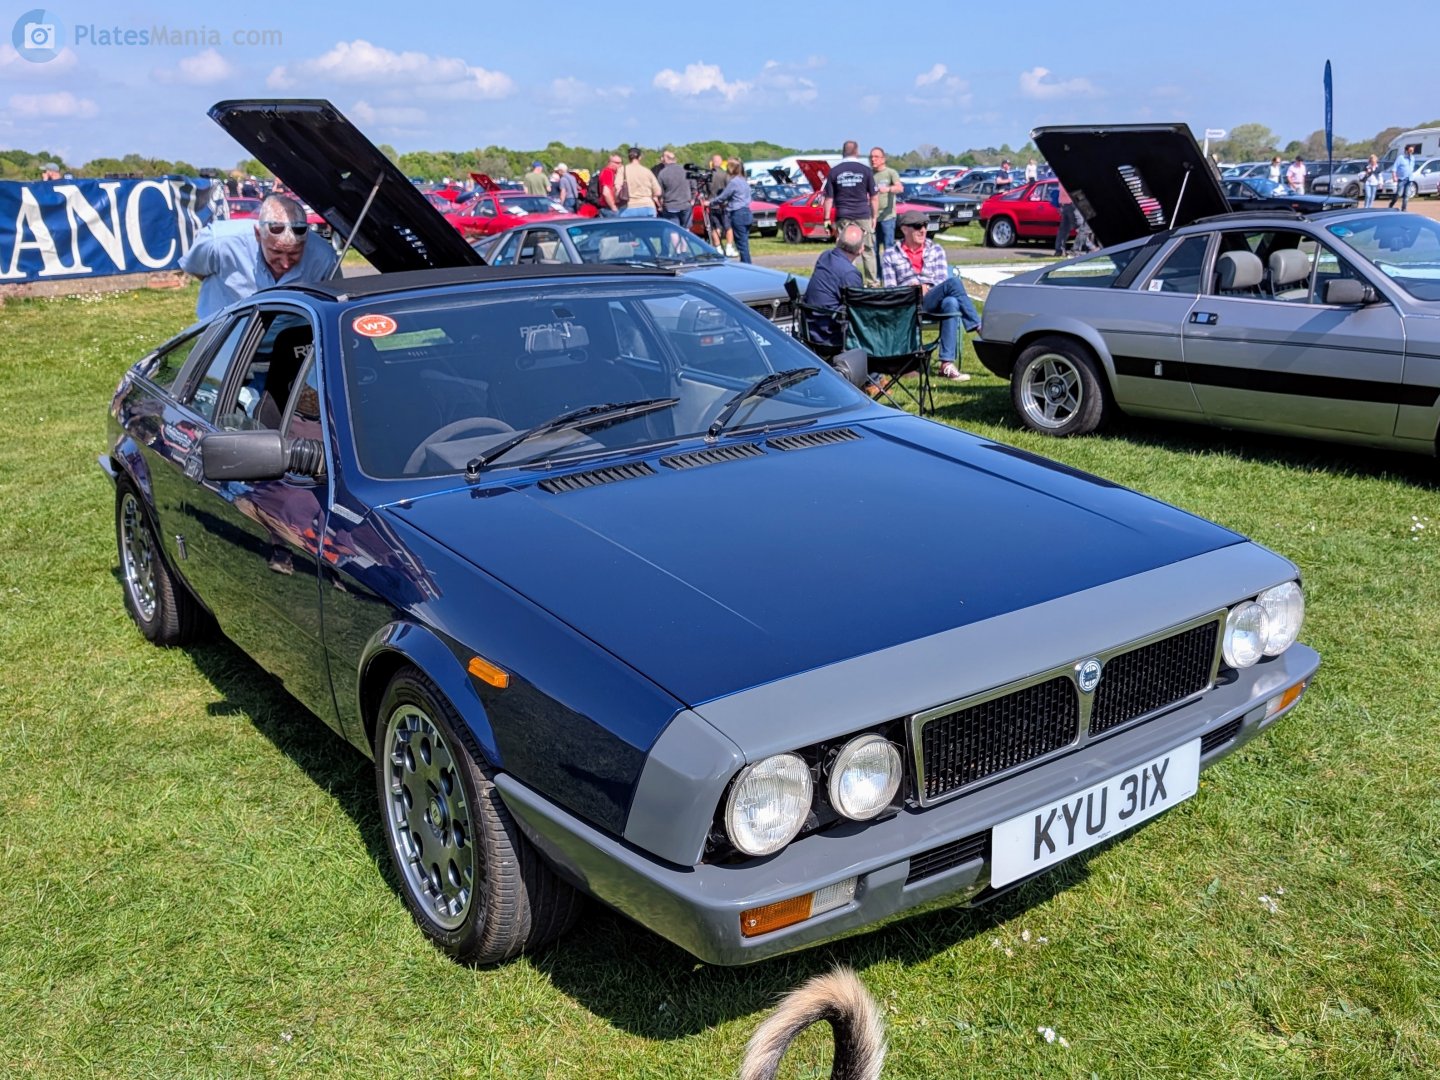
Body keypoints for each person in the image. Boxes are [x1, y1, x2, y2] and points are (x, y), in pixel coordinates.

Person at [178, 194, 339, 320]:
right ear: (257, 234)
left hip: (290, 341)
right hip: (225, 340)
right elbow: (196, 270)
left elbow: (334, 301)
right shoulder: (218, 242)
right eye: (276, 252)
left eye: (294, 254)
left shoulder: (324, 256)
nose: (285, 264)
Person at [881, 210, 980, 381]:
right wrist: (910, 289)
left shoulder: (936, 250)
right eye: (918, 226)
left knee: (950, 300)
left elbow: (941, 281)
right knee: (953, 289)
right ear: (904, 229)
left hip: (931, 301)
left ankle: (946, 364)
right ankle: (978, 326)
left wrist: (926, 288)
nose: (923, 230)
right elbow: (890, 290)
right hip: (907, 305)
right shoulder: (891, 254)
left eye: (925, 226)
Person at [822, 140, 878, 284]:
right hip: (862, 214)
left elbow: (828, 198)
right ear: (857, 151)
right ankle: (872, 283)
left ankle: (848, 282)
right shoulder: (866, 170)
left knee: (845, 250)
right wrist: (874, 217)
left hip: (843, 215)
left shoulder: (835, 171)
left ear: (843, 151)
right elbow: (874, 197)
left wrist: (826, 219)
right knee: (867, 250)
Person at [802, 223, 865, 349]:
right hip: (831, 334)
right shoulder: (850, 273)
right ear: (861, 250)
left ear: (837, 241)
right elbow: (859, 311)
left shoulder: (825, 256)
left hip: (812, 327)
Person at [713, 159, 753, 262]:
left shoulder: (734, 182)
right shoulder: (743, 180)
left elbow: (723, 196)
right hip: (747, 213)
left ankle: (747, 266)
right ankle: (747, 264)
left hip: (738, 214)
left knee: (741, 245)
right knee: (744, 243)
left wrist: (711, 203)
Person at [869, 147, 902, 254]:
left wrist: (888, 189)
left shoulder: (891, 173)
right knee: (874, 249)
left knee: (889, 247)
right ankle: (878, 271)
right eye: (871, 157)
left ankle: (889, 270)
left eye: (876, 157)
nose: (873, 159)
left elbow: (900, 188)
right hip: (872, 218)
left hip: (887, 217)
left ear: (883, 159)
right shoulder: (869, 174)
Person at [617, 147, 662, 218]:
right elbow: (658, 192)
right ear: (640, 157)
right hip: (647, 206)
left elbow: (617, 188)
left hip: (627, 207)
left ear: (629, 157)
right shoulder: (647, 171)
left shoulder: (622, 170)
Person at [655, 150, 693, 231]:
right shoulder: (686, 171)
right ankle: (685, 243)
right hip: (686, 204)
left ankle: (677, 244)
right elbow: (694, 186)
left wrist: (660, 204)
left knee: (674, 230)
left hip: (670, 206)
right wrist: (692, 198)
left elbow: (660, 192)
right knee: (686, 229)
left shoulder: (662, 173)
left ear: (665, 160)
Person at [705, 153, 733, 253]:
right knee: (728, 227)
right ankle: (729, 247)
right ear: (721, 162)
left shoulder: (708, 175)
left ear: (712, 162)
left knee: (715, 227)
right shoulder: (725, 175)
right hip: (724, 204)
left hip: (712, 204)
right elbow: (729, 189)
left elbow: (705, 191)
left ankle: (718, 248)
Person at [1052, 183, 1077, 257]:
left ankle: (1059, 250)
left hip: (1064, 205)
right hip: (1070, 205)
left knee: (1063, 230)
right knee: (1081, 228)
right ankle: (1088, 248)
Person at [1389, 145, 1416, 211]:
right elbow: (1394, 168)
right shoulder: (1401, 158)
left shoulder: (1413, 158)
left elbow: (1412, 168)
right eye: (1410, 150)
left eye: (1412, 151)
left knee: (1407, 195)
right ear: (1406, 150)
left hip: (1409, 179)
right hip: (1401, 179)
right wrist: (1394, 177)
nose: (1411, 152)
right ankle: (1391, 204)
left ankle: (1404, 209)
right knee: (1399, 194)